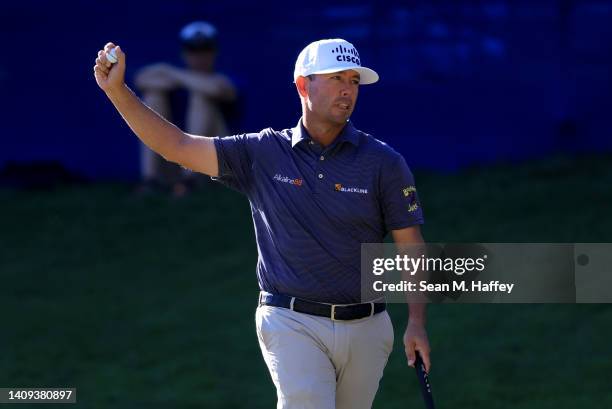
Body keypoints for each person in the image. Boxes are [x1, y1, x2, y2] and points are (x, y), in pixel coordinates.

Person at [93, 38, 431, 409]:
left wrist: (416, 322)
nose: (347, 90)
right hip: (291, 321)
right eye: (336, 78)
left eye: (353, 81)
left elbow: (410, 246)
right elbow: (178, 146)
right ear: (304, 85)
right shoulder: (263, 152)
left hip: (367, 326)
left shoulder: (383, 162)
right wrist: (118, 91)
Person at [134, 21, 236, 196]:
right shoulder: (175, 84)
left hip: (213, 166)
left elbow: (217, 89)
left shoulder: (223, 79)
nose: (199, 56)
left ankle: (189, 180)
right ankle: (149, 179)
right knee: (154, 96)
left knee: (202, 99)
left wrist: (169, 71)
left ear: (214, 52)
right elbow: (141, 80)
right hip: (171, 161)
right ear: (184, 53)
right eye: (193, 50)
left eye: (205, 50)